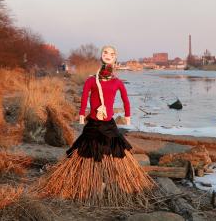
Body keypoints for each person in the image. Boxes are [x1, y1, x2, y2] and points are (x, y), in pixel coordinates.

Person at [35, 45, 155, 206]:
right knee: (86, 150)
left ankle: (111, 183)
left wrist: (127, 115)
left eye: (111, 53)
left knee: (114, 149)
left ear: (115, 57)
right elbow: (84, 97)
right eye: (105, 52)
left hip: (109, 123)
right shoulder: (92, 80)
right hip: (93, 122)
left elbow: (126, 99)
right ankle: (88, 183)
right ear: (101, 56)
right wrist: (81, 115)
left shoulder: (117, 82)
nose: (108, 55)